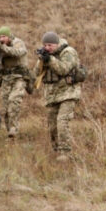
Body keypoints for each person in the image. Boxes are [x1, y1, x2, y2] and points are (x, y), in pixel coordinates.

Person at [34, 32, 81, 162]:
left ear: (56, 44)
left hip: (68, 92)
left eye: (50, 45)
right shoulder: (46, 54)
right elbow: (36, 73)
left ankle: (66, 152)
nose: (47, 47)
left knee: (62, 121)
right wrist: (41, 59)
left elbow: (63, 69)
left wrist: (50, 59)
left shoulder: (68, 52)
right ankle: (56, 150)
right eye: (45, 45)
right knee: (52, 125)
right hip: (52, 95)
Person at [0, 26, 28, 138]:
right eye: (0, 37)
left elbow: (16, 53)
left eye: (3, 36)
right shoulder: (0, 47)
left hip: (19, 77)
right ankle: (10, 134)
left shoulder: (18, 43)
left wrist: (2, 47)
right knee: (5, 108)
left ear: (9, 36)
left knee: (14, 101)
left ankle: (14, 129)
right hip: (6, 79)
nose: (1, 39)